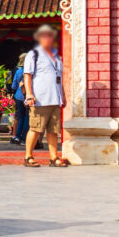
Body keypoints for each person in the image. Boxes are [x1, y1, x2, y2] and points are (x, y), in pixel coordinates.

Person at [20, 24, 68, 167]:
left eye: (50, 36)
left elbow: (59, 78)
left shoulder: (56, 56)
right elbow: (27, 75)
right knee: (35, 128)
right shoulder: (33, 54)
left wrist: (63, 96)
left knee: (53, 131)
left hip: (55, 98)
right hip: (40, 98)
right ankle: (28, 156)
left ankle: (53, 157)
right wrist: (29, 94)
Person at [9, 57, 29, 144]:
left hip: (18, 96)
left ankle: (17, 136)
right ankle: (24, 138)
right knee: (27, 118)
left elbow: (13, 86)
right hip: (28, 96)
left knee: (20, 116)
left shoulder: (18, 71)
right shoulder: (32, 71)